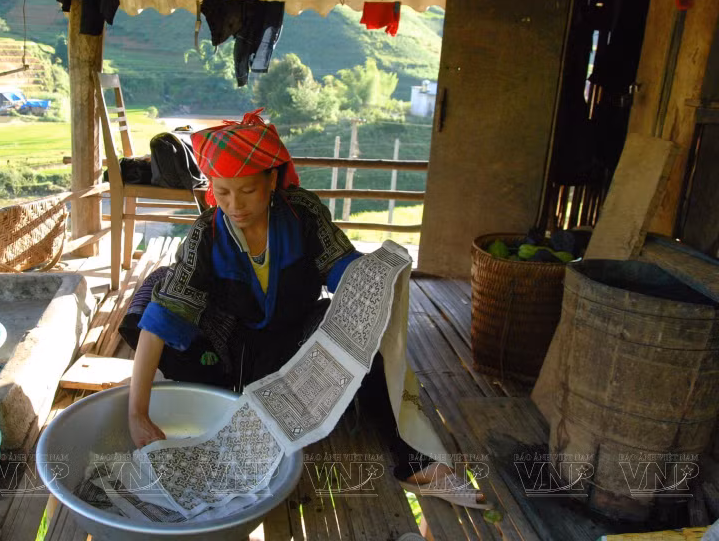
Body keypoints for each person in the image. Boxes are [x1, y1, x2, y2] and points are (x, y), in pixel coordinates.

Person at [123, 110, 489, 510]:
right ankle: (229, 406)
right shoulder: (207, 233)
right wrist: (137, 413)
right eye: (223, 192)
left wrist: (379, 276)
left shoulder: (303, 213)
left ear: (273, 181)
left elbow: (344, 273)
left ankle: (414, 464)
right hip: (234, 345)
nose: (235, 206)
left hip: (299, 337)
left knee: (367, 340)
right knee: (153, 312)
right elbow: (164, 318)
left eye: (247, 191)